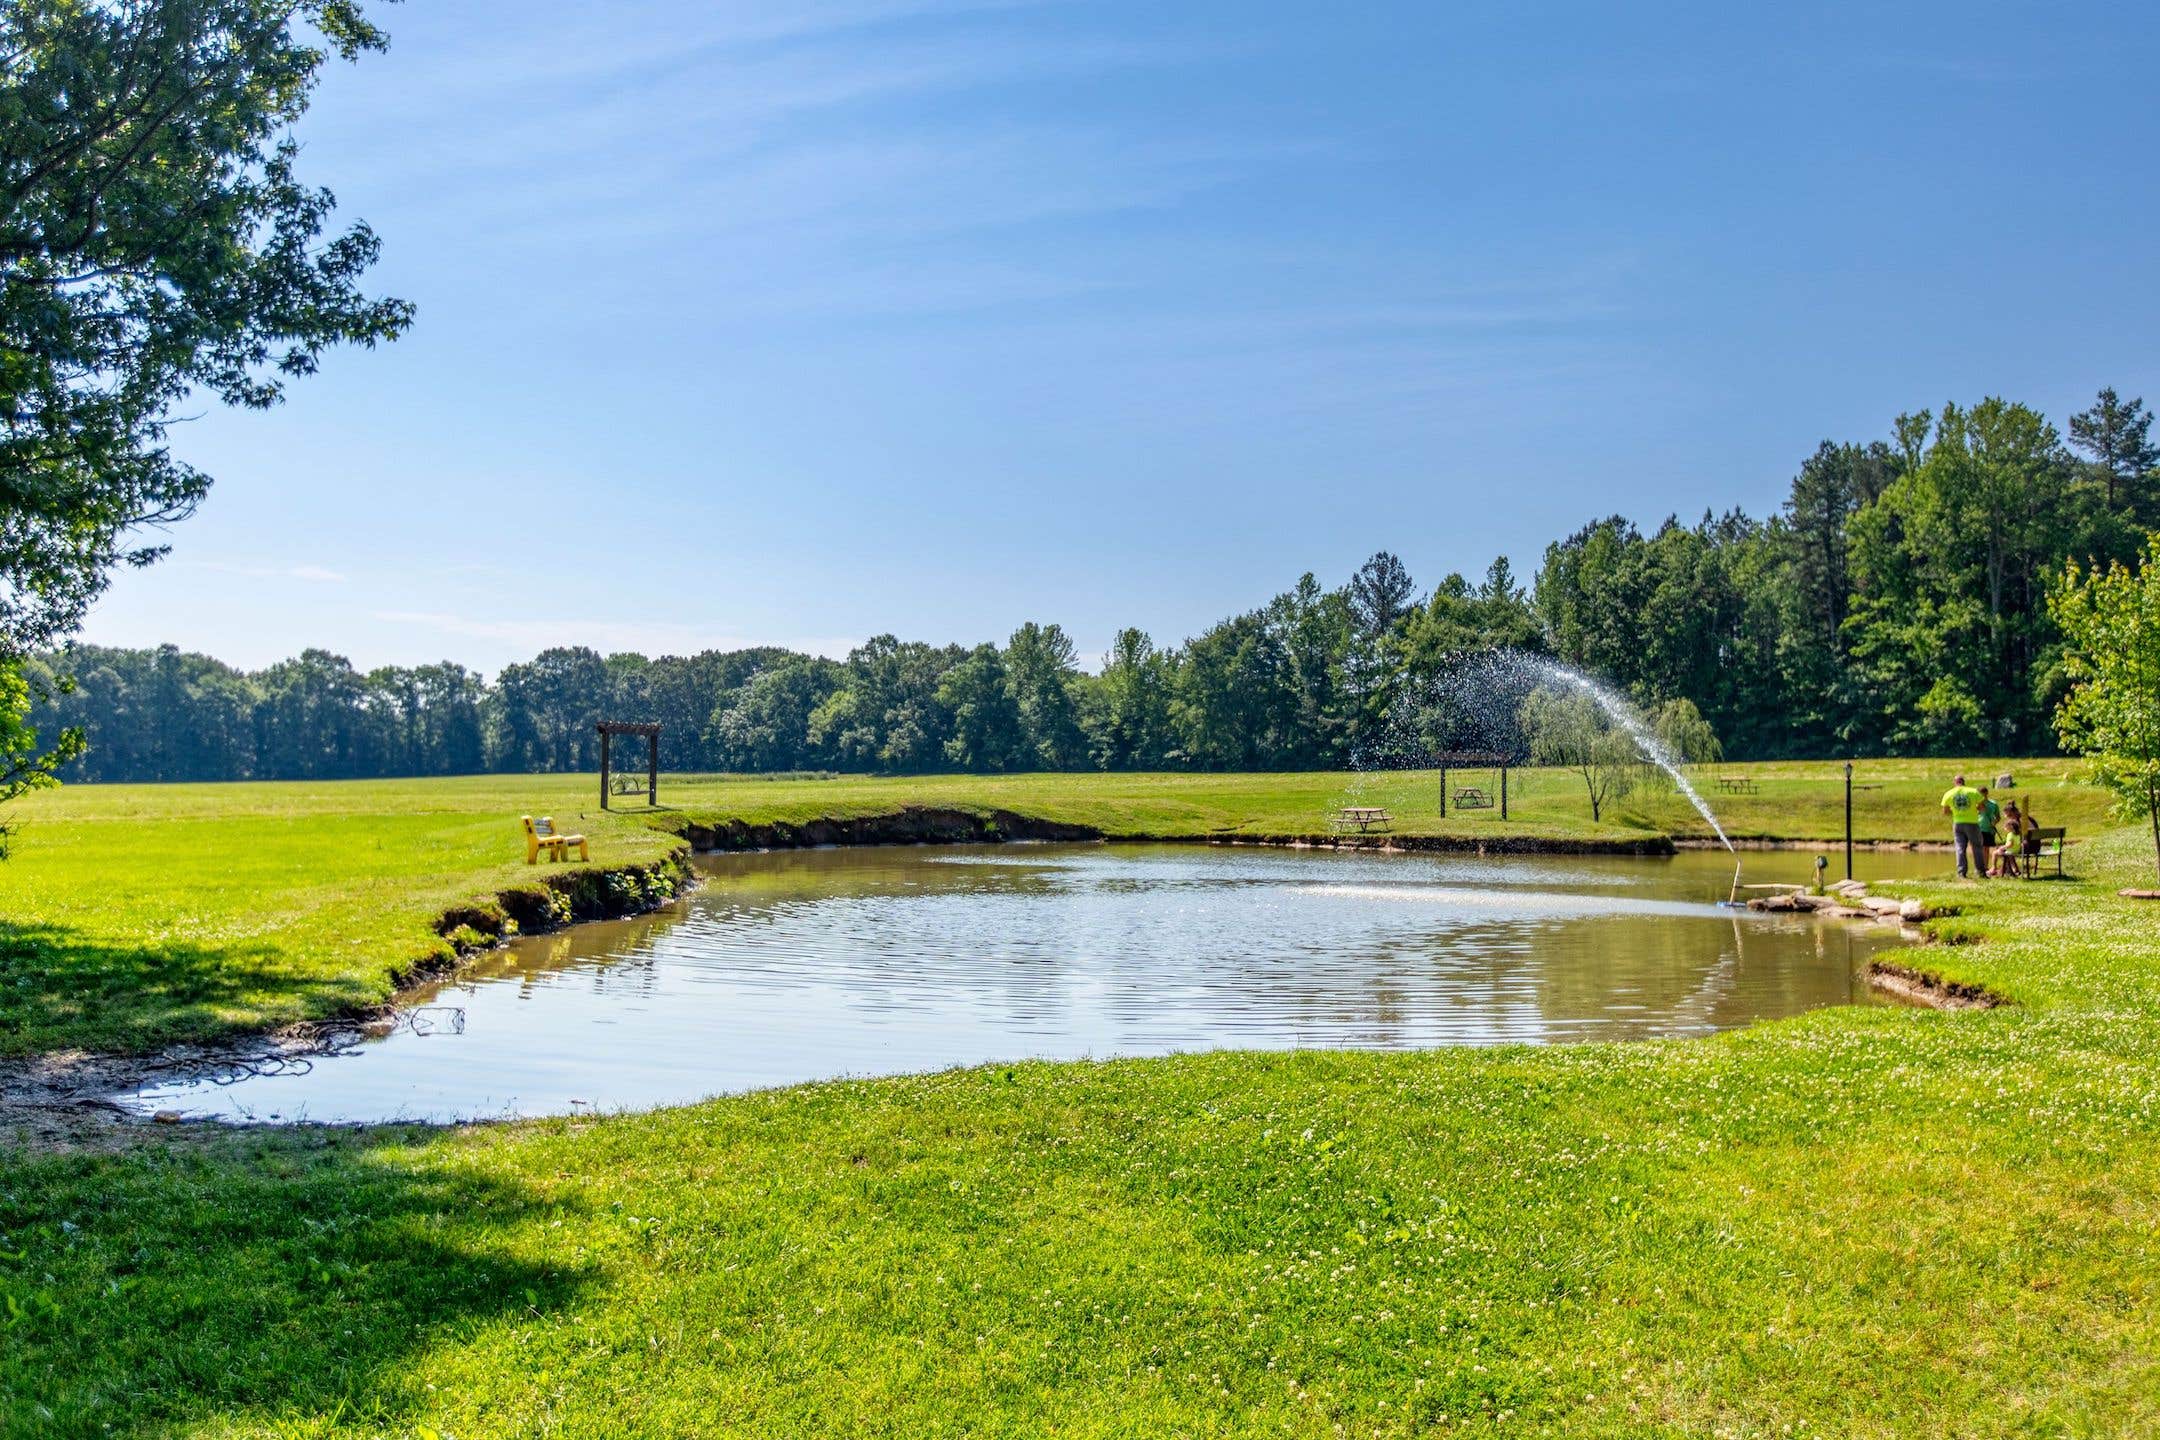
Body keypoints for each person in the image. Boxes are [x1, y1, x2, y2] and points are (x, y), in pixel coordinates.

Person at [1940, 773, 1984, 879]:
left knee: (1960, 848)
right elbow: (1982, 807)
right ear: (1964, 782)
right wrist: (1973, 809)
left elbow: (1945, 811)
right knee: (1976, 847)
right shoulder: (1973, 791)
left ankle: (1961, 873)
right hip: (1972, 822)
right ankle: (1980, 872)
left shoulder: (1949, 793)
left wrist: (1956, 811)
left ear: (1955, 783)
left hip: (1958, 823)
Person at [1976, 786, 2001, 878]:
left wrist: (1994, 823)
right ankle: (1981, 867)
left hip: (1989, 829)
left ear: (1986, 793)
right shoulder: (1976, 804)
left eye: (1983, 794)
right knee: (1980, 848)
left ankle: (1985, 867)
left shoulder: (1993, 804)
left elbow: (1998, 817)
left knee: (1986, 848)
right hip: (1978, 828)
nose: (1982, 796)